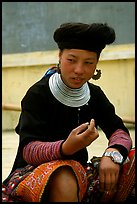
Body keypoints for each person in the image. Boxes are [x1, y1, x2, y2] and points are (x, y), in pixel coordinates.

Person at [2, 22, 135, 202]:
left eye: (88, 63)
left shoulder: (94, 95)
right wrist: (66, 147)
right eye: (71, 60)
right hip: (34, 173)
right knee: (63, 174)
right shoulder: (38, 94)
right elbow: (29, 150)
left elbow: (119, 131)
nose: (79, 70)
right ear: (59, 56)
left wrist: (113, 154)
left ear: (96, 64)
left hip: (78, 173)